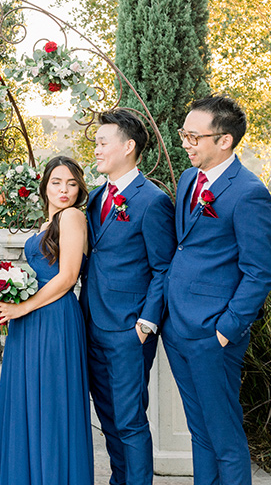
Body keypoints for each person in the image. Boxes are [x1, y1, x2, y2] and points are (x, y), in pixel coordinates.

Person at [163, 95, 271, 484]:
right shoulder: (188, 179)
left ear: (224, 140)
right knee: (200, 433)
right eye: (184, 134)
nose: (185, 143)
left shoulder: (248, 192)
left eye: (194, 136)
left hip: (214, 334)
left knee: (224, 436)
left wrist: (226, 330)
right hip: (177, 327)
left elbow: (261, 272)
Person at [81, 109, 176, 485]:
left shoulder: (151, 201)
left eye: (103, 142)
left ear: (129, 146)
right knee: (106, 418)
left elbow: (163, 268)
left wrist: (145, 324)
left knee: (130, 420)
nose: (97, 149)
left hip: (128, 331)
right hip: (91, 324)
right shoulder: (96, 197)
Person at [0, 155, 93, 485]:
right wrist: (11, 296)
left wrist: (22, 307)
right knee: (27, 403)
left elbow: (68, 276)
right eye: (57, 182)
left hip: (55, 319)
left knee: (51, 406)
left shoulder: (73, 217)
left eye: (72, 184)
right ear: (44, 186)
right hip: (31, 319)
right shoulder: (47, 225)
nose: (64, 190)